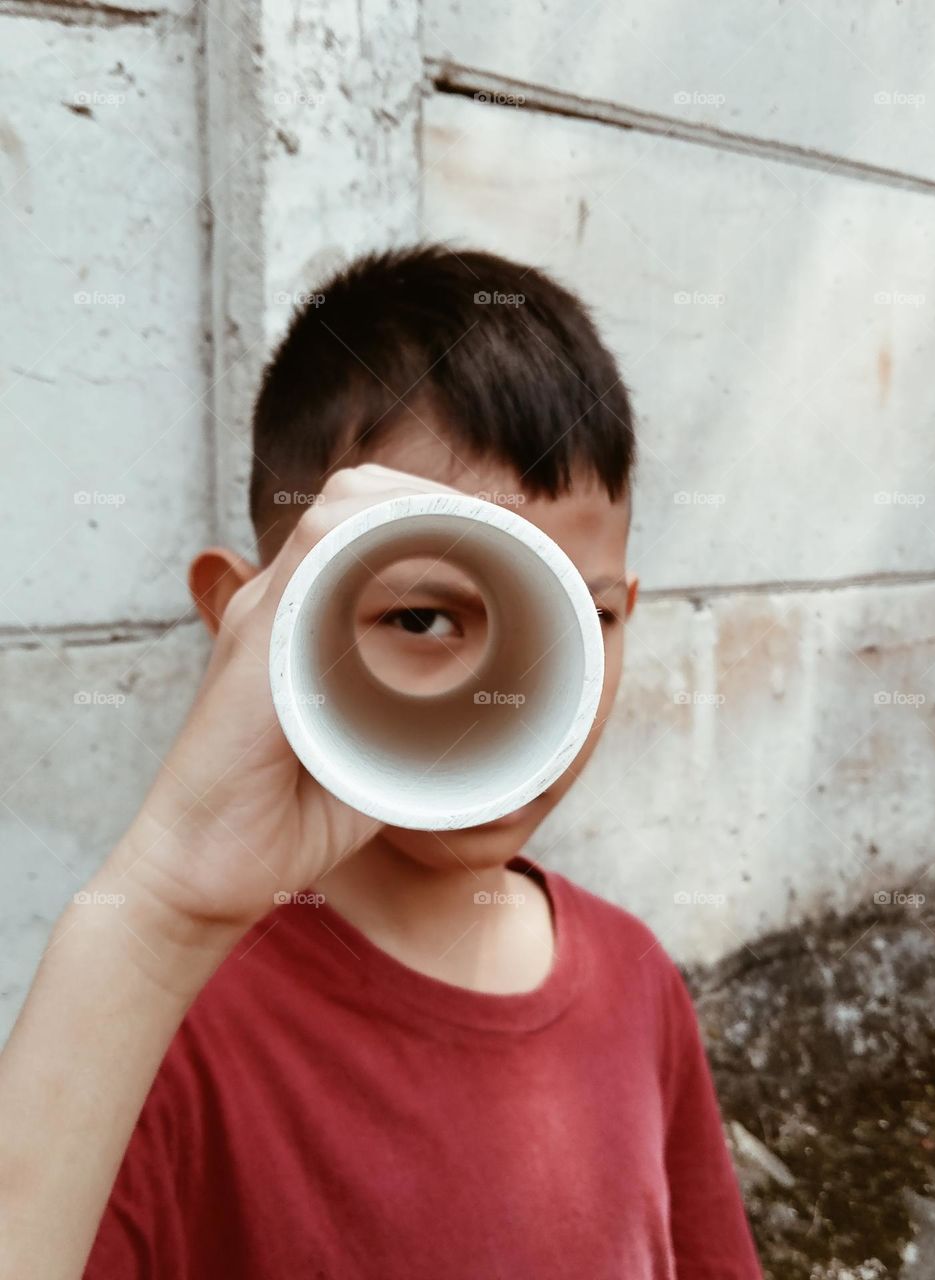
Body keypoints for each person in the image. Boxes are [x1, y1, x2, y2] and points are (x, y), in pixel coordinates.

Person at [0, 246, 763, 1278]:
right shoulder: (166, 1038)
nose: (512, 697)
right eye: (422, 615)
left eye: (580, 620)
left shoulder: (637, 980)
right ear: (251, 619)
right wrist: (162, 912)